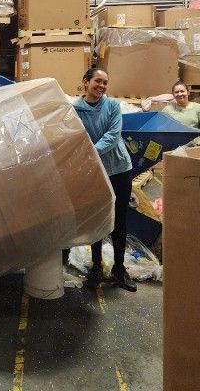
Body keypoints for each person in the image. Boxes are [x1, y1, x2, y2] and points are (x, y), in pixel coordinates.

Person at [73, 67, 136, 292]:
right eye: (97, 81)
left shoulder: (111, 106)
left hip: (119, 169)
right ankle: (96, 267)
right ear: (86, 82)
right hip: (96, 172)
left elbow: (113, 135)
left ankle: (119, 268)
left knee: (119, 220)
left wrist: (91, 152)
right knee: (96, 220)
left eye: (105, 83)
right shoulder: (74, 110)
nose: (101, 86)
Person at [162, 81, 200, 146]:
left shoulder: (199, 108)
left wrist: (199, 145)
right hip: (172, 148)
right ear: (173, 95)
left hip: (191, 147)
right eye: (176, 92)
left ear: (188, 92)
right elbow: (161, 128)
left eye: (182, 91)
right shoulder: (167, 110)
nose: (179, 94)